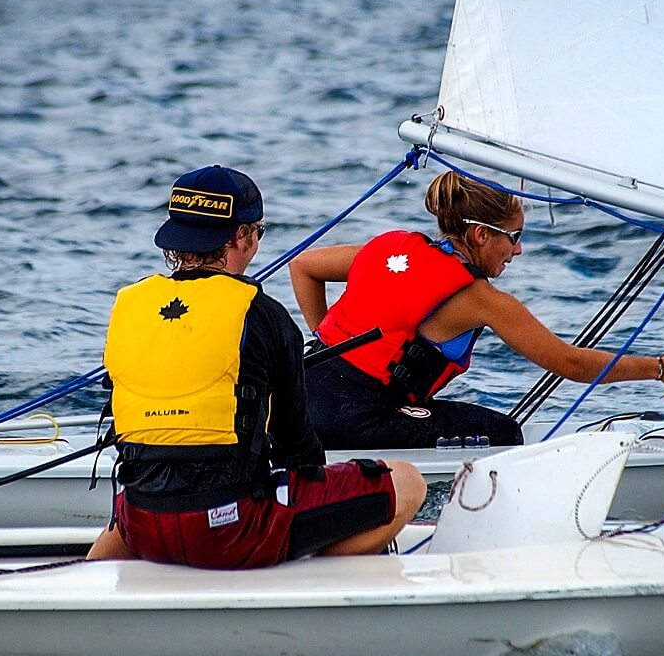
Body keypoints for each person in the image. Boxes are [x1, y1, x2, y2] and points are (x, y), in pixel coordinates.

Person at [86, 165, 426, 569]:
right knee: (407, 481)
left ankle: (85, 576)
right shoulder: (265, 315)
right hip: (229, 533)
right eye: (258, 231)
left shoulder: (128, 305)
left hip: (138, 524)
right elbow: (297, 446)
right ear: (240, 237)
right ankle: (311, 579)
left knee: (153, 496)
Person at [289, 170, 664, 450]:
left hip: (294, 399)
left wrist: (327, 340)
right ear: (481, 235)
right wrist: (659, 368)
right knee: (502, 432)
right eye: (514, 237)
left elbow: (303, 265)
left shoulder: (388, 246)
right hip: (352, 419)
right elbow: (571, 364)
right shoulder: (480, 299)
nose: (518, 249)